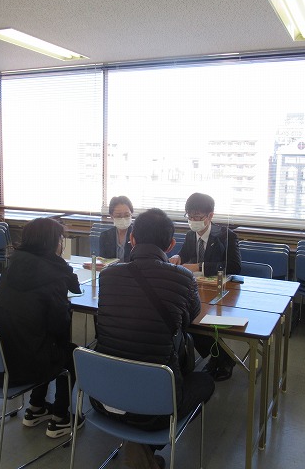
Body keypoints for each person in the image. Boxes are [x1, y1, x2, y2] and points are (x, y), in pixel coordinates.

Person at [95, 208, 215, 468]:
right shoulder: (183, 278)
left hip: (102, 397)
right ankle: (142, 447)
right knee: (205, 381)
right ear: (171, 245)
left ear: (132, 239)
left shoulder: (107, 276)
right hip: (156, 407)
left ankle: (138, 446)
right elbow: (189, 319)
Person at [0, 218, 83, 439]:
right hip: (20, 368)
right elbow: (59, 327)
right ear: (52, 243)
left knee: (38, 342)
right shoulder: (54, 275)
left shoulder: (12, 266)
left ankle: (36, 407)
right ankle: (61, 418)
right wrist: (65, 307)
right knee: (71, 353)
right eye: (60, 239)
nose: (61, 243)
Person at [169, 192, 241, 381]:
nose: (193, 221)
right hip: (199, 289)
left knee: (200, 320)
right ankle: (218, 357)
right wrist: (178, 257)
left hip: (223, 291)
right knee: (189, 318)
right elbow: (184, 255)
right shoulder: (190, 235)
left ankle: (223, 359)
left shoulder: (226, 236)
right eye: (190, 216)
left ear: (210, 216)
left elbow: (234, 266)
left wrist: (199, 267)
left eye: (198, 217)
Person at [98, 195, 133, 262]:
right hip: (111, 268)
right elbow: (103, 261)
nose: (123, 219)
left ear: (131, 214)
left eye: (127, 215)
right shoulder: (105, 236)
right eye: (118, 216)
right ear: (112, 216)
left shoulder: (137, 236)